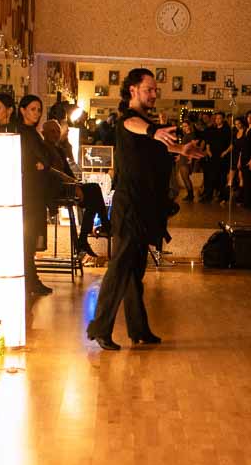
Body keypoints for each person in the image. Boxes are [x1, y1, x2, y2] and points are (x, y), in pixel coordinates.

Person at [87, 68, 205, 350]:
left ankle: (138, 329)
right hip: (130, 206)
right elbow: (134, 126)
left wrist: (180, 150)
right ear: (133, 90)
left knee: (133, 272)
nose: (154, 94)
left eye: (155, 90)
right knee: (120, 269)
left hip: (143, 207)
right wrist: (154, 130)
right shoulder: (129, 119)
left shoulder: (146, 123)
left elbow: (153, 145)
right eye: (148, 89)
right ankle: (100, 328)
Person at [13, 93, 56, 298]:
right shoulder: (24, 133)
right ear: (22, 110)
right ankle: (30, 279)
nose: (37, 113)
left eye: (39, 110)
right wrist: (40, 164)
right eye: (33, 109)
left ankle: (30, 278)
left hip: (34, 190)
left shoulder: (31, 133)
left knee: (29, 237)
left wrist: (43, 164)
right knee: (27, 237)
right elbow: (40, 159)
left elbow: (46, 159)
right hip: (29, 190)